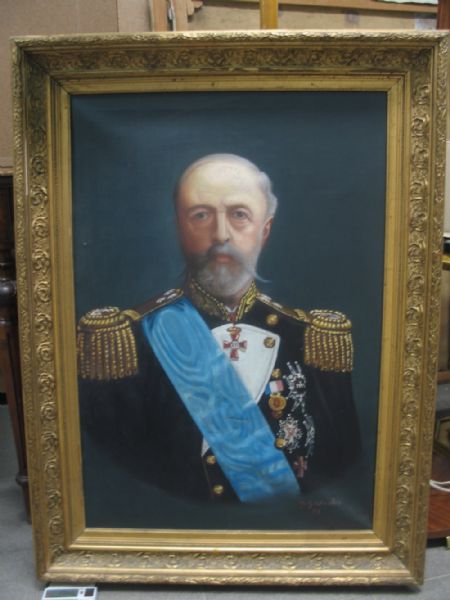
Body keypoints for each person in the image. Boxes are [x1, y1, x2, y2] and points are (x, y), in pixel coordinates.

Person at [77, 153, 360, 505]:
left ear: (265, 230)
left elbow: (337, 474)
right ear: (179, 227)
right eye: (201, 215)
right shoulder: (127, 341)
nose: (221, 234)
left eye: (239, 215)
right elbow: (117, 479)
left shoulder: (311, 338)